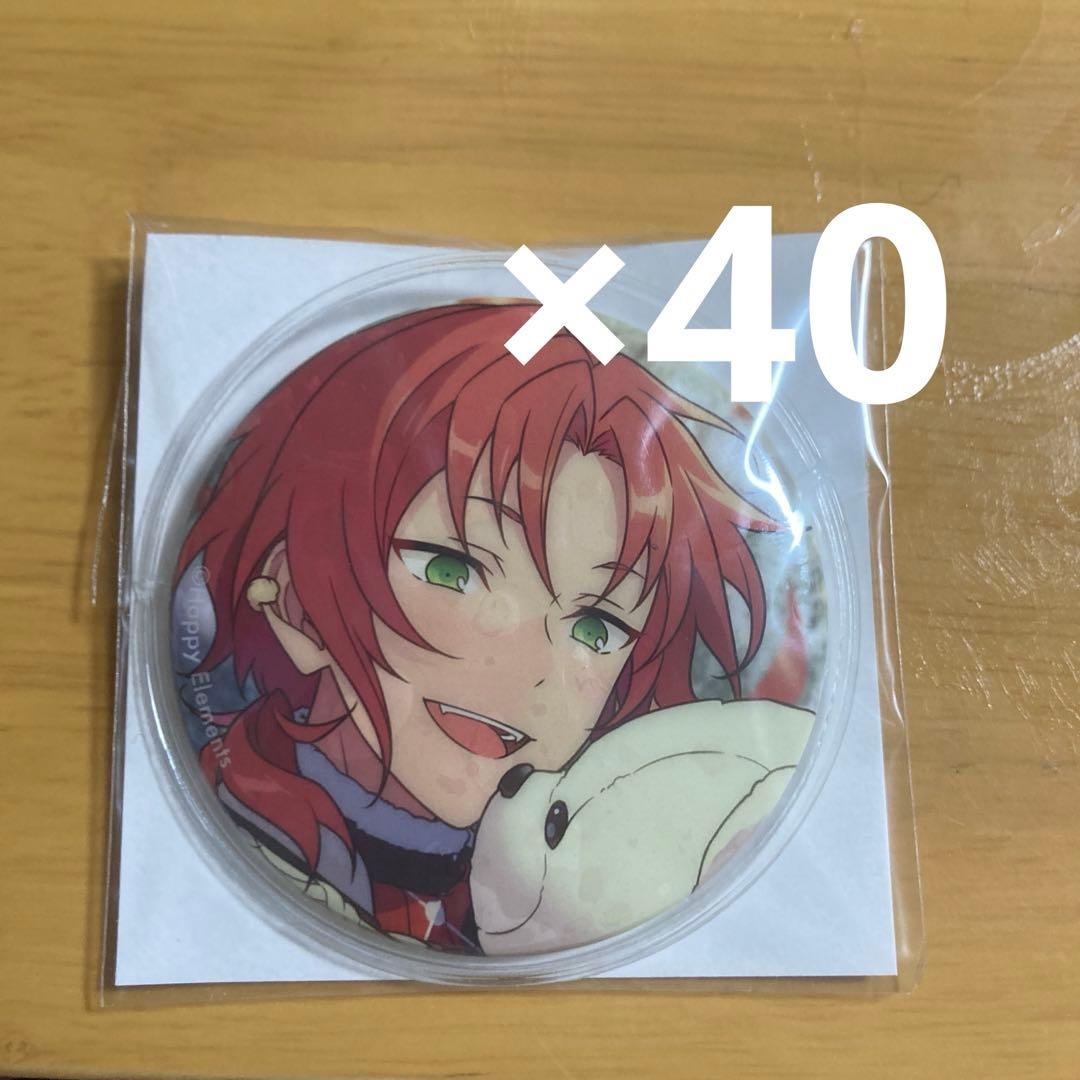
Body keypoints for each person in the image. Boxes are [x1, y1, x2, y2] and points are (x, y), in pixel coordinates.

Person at [174, 301, 775, 951]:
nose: (527, 667)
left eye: (595, 628)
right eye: (452, 570)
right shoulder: (244, 828)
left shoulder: (565, 892)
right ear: (296, 601)